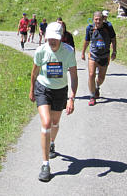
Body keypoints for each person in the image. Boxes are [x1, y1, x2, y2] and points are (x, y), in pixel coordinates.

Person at [29, 22, 78, 182]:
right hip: (43, 88)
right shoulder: (41, 51)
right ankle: (45, 165)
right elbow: (34, 72)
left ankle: (52, 143)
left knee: (55, 122)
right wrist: (31, 90)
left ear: (61, 38)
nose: (52, 41)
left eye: (55, 39)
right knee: (47, 122)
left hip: (60, 91)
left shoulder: (68, 51)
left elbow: (74, 76)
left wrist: (71, 98)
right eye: (49, 38)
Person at [81, 11, 117, 106]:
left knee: (101, 78)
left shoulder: (108, 27)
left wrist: (114, 51)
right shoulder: (90, 28)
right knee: (91, 75)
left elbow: (113, 39)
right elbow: (86, 41)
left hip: (105, 56)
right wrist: (83, 53)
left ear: (103, 19)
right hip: (93, 56)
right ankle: (92, 96)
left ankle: (97, 87)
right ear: (93, 19)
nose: (98, 21)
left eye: (100, 19)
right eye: (96, 19)